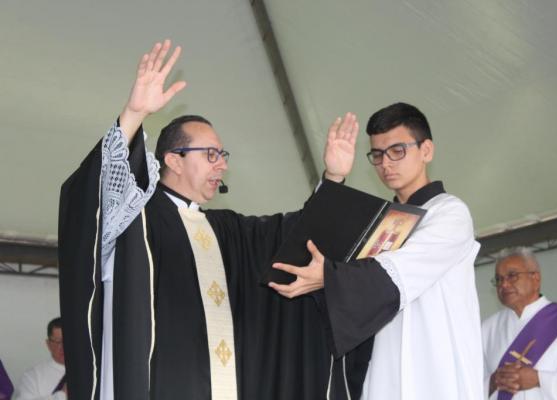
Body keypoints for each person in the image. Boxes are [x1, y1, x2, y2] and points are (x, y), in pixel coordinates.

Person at [58, 40, 358, 400]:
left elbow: (295, 237)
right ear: (174, 160)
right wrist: (133, 114)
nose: (223, 165)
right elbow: (94, 198)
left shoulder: (229, 231)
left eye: (223, 155)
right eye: (211, 154)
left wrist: (333, 177)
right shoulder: (134, 219)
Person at [270, 102, 484, 399]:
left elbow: (398, 271)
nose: (386, 163)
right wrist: (334, 178)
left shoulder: (449, 212)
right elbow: (315, 244)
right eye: (378, 154)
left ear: (426, 151)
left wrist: (330, 277)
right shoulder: (379, 222)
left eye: (397, 151)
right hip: (383, 373)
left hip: (437, 371)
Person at [482, 247, 557, 399]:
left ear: (535, 278)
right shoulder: (487, 330)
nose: (504, 284)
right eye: (499, 279)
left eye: (512, 276)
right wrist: (492, 382)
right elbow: (467, 385)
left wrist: (539, 379)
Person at [14, 318, 67, 400]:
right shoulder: (32, 377)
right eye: (58, 342)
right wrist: (61, 396)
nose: (62, 347)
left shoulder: (86, 370)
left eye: (66, 341)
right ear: (48, 344)